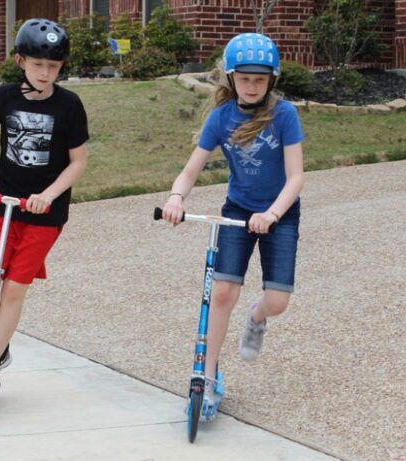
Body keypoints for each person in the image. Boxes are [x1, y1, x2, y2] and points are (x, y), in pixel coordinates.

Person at [161, 33, 305, 415]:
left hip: (279, 212)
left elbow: (295, 178)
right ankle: (207, 377)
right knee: (223, 292)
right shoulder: (221, 118)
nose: (252, 86)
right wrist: (176, 198)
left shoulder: (284, 115)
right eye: (244, 79)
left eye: (260, 79)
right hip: (238, 210)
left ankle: (257, 317)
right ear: (231, 79)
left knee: (278, 302)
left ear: (271, 80)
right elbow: (190, 171)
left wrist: (272, 214)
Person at [0, 18, 89, 403]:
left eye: (53, 66)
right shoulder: (4, 98)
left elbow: (78, 162)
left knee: (14, 289)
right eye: (37, 64)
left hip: (44, 216)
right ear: (20, 61)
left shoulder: (69, 105)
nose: (45, 73)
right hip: (3, 207)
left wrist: (48, 195)